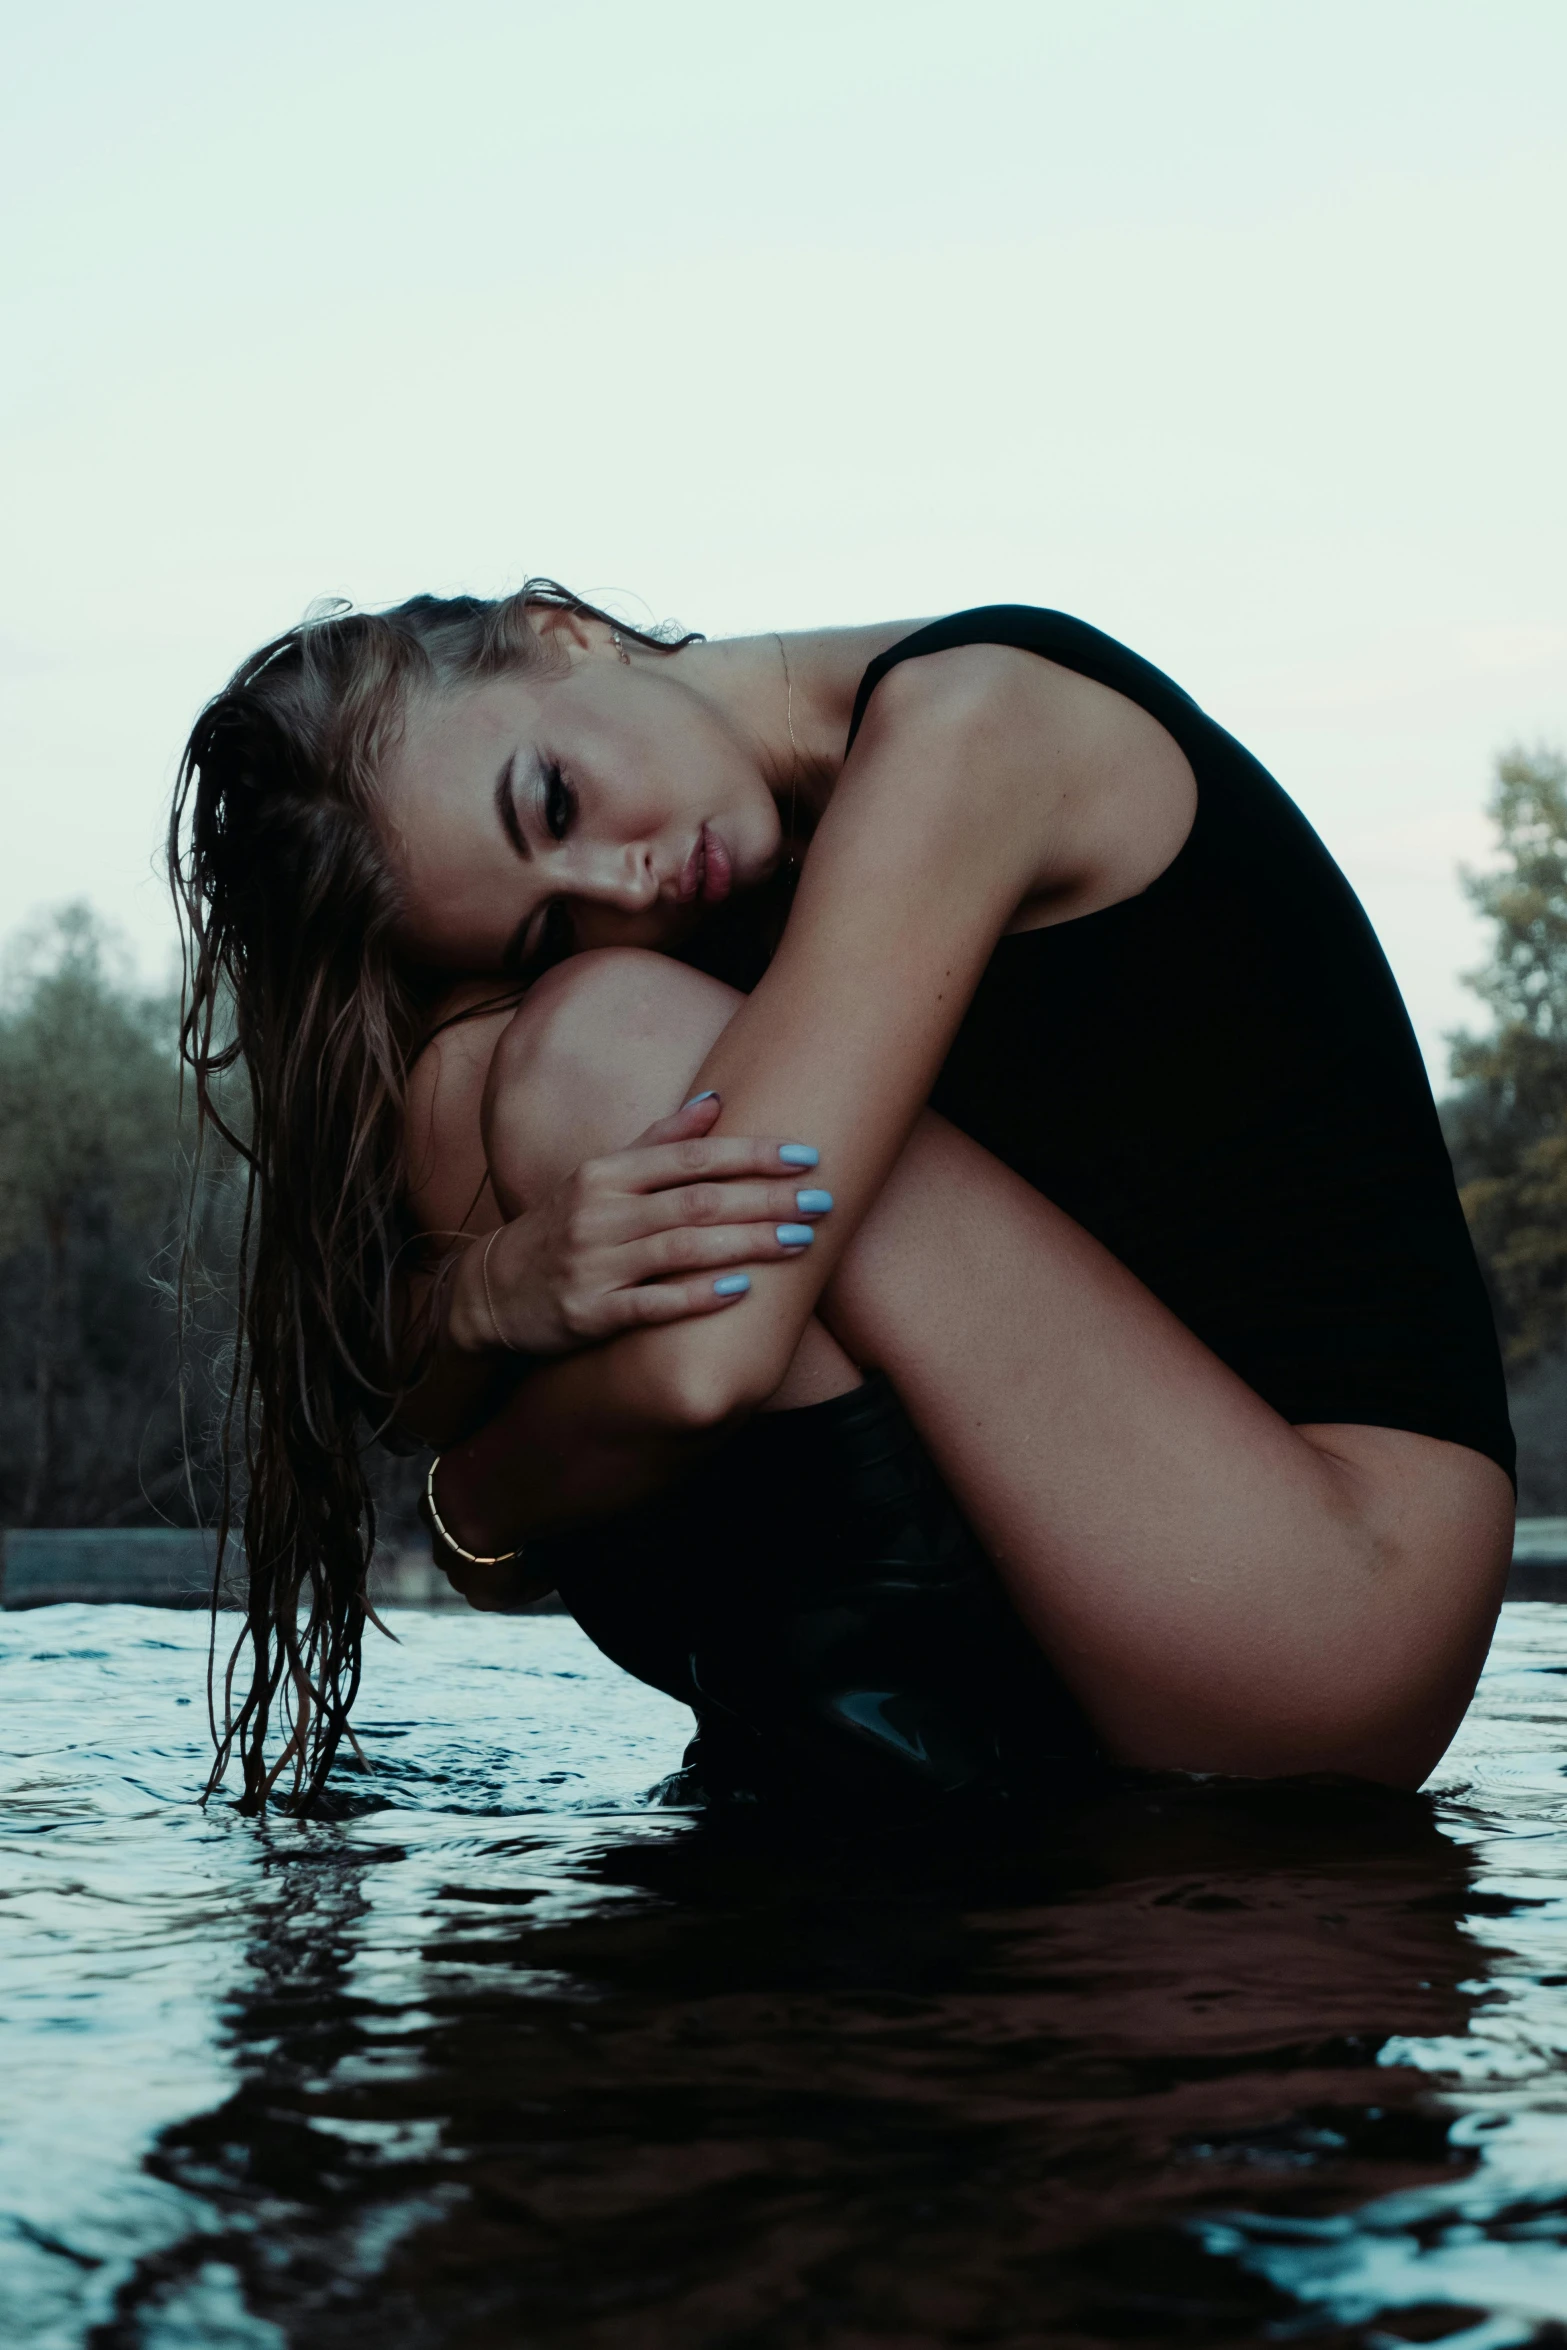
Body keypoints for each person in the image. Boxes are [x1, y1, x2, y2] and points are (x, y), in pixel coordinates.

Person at [171, 585, 1515, 1814]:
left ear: (558, 631)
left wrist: (479, 1503)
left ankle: (884, 1836)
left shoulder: (974, 722)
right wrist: (486, 1289)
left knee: (590, 1046)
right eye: (547, 919)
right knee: (466, 1067)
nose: (615, 885)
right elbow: (404, 1381)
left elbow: (706, 1358)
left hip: (1328, 1598)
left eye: (555, 802)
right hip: (1129, 1542)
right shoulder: (728, 884)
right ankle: (869, 1808)